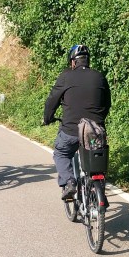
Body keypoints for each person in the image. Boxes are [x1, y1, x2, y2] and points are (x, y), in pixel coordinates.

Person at [43, 44, 111, 200]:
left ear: (73, 62)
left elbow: (52, 101)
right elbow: (107, 104)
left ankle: (69, 182)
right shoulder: (99, 76)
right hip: (94, 131)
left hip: (71, 131)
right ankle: (97, 187)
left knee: (61, 153)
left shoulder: (66, 76)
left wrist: (48, 118)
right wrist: (99, 121)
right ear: (88, 60)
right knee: (95, 159)